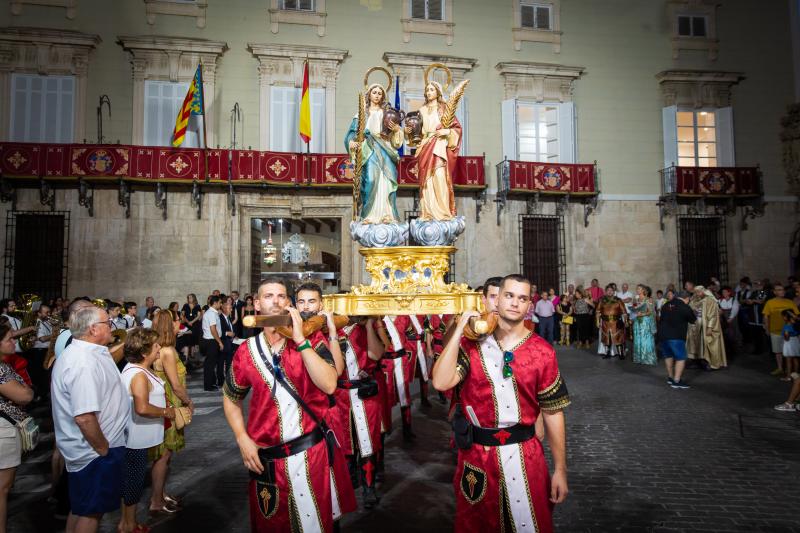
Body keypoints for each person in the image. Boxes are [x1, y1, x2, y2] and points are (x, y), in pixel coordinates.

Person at [431, 274, 570, 533]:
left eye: (523, 298)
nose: (515, 303)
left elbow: (553, 412)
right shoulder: (471, 346)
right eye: (508, 296)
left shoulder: (543, 352)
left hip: (526, 457)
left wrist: (560, 469)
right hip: (478, 459)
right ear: (495, 300)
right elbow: (440, 382)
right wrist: (461, 326)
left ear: (530, 305)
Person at [222, 278, 352, 532]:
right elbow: (230, 397)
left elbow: (329, 384)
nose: (276, 301)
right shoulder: (247, 350)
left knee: (314, 525)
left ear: (289, 304)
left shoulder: (311, 341)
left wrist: (300, 339)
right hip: (266, 460)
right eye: (268, 296)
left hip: (308, 454)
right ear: (257, 304)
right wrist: (242, 438)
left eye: (282, 296)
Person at [51, 305, 130, 533]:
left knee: (81, 508)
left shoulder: (89, 352)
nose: (112, 326)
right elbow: (85, 417)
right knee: (91, 513)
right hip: (94, 452)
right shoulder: (82, 362)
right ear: (94, 329)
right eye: (108, 323)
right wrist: (104, 449)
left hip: (95, 450)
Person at [118, 328, 175, 533]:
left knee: (132, 482)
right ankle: (128, 525)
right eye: (155, 345)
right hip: (135, 437)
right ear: (144, 352)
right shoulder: (138, 375)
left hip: (140, 436)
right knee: (133, 482)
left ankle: (129, 522)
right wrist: (166, 412)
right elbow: (141, 407)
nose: (159, 347)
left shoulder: (138, 369)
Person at [150, 310, 193, 515]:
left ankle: (161, 494)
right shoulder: (168, 351)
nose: (180, 324)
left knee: (164, 455)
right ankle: (156, 501)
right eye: (178, 321)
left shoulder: (160, 348)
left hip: (165, 403)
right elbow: (176, 385)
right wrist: (189, 402)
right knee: (163, 455)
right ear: (171, 324)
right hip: (170, 404)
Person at [346, 82, 404, 224]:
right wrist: (351, 142)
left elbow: (396, 141)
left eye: (380, 93)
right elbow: (352, 134)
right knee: (371, 180)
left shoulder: (387, 114)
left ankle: (387, 214)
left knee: (386, 181)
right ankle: (369, 215)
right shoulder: (361, 114)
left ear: (383, 96)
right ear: (369, 95)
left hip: (385, 149)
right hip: (368, 150)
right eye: (374, 92)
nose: (377, 95)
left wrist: (397, 130)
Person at [408, 79, 463, 220]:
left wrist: (447, 132)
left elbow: (457, 128)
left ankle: (443, 212)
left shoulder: (445, 108)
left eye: (432, 89)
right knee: (426, 181)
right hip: (425, 146)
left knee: (439, 177)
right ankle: (428, 213)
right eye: (427, 90)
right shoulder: (421, 110)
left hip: (439, 146)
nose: (429, 92)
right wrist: (409, 131)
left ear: (438, 92)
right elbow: (417, 134)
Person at [0, 323, 34, 533]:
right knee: (2, 489)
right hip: (3, 431)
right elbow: (24, 396)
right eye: (9, 339)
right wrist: (27, 391)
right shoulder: (1, 369)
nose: (14, 342)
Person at [658, 290, 697, 389]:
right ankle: (677, 380)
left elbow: (661, 319)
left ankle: (670, 377)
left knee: (668, 356)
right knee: (681, 357)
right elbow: (693, 320)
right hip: (676, 336)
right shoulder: (684, 306)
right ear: (687, 299)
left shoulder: (665, 305)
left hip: (663, 335)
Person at [762, 283, 800, 379]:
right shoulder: (770, 302)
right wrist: (767, 328)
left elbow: (796, 316)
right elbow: (766, 316)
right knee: (778, 351)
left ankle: (790, 369)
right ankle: (780, 368)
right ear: (774, 292)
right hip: (775, 330)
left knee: (790, 352)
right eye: (779, 290)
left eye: (782, 289)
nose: (782, 291)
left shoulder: (790, 302)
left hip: (790, 332)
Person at [686, 286, 727, 370]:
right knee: (696, 344)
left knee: (708, 343)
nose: (697, 294)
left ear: (703, 291)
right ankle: (697, 361)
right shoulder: (694, 300)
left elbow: (713, 315)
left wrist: (710, 327)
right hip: (695, 326)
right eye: (696, 292)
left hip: (706, 325)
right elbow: (690, 308)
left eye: (698, 292)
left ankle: (710, 363)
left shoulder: (710, 300)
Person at [596, 285, 628, 359]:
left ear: (614, 292)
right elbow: (597, 311)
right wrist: (597, 321)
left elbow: (624, 312)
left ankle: (621, 354)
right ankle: (608, 353)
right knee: (607, 338)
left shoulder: (618, 300)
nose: (610, 292)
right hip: (605, 322)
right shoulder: (602, 300)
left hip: (616, 322)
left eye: (611, 290)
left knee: (618, 338)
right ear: (606, 291)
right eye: (608, 290)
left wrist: (625, 321)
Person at [200, 295, 223, 391]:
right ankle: (208, 386)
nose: (221, 304)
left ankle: (211, 383)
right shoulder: (211, 314)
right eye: (220, 302)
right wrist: (220, 342)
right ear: (215, 303)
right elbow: (213, 329)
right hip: (211, 341)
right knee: (210, 365)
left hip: (211, 341)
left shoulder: (213, 313)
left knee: (211, 364)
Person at [631, 285, 657, 365]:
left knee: (646, 338)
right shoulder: (636, 299)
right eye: (637, 288)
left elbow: (650, 312)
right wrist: (633, 313)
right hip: (637, 322)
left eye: (639, 289)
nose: (637, 290)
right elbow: (633, 310)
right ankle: (639, 358)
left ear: (643, 290)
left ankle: (647, 358)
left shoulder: (648, 299)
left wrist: (642, 314)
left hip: (645, 322)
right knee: (637, 338)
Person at [180, 294, 202, 366]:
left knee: (193, 337)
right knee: (187, 337)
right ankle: (187, 354)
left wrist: (192, 322)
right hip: (187, 323)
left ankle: (192, 354)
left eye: (191, 297)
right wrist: (188, 322)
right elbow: (183, 314)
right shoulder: (185, 305)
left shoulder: (197, 306)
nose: (189, 299)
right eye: (188, 297)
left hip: (195, 324)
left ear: (194, 298)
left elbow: (199, 315)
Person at [781, 310, 800, 380]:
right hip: (796, 341)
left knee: (788, 361)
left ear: (786, 317)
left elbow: (786, 336)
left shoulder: (787, 325)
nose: (782, 318)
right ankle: (796, 376)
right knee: (795, 359)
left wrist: (785, 338)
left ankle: (788, 376)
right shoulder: (796, 324)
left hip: (789, 343)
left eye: (783, 316)